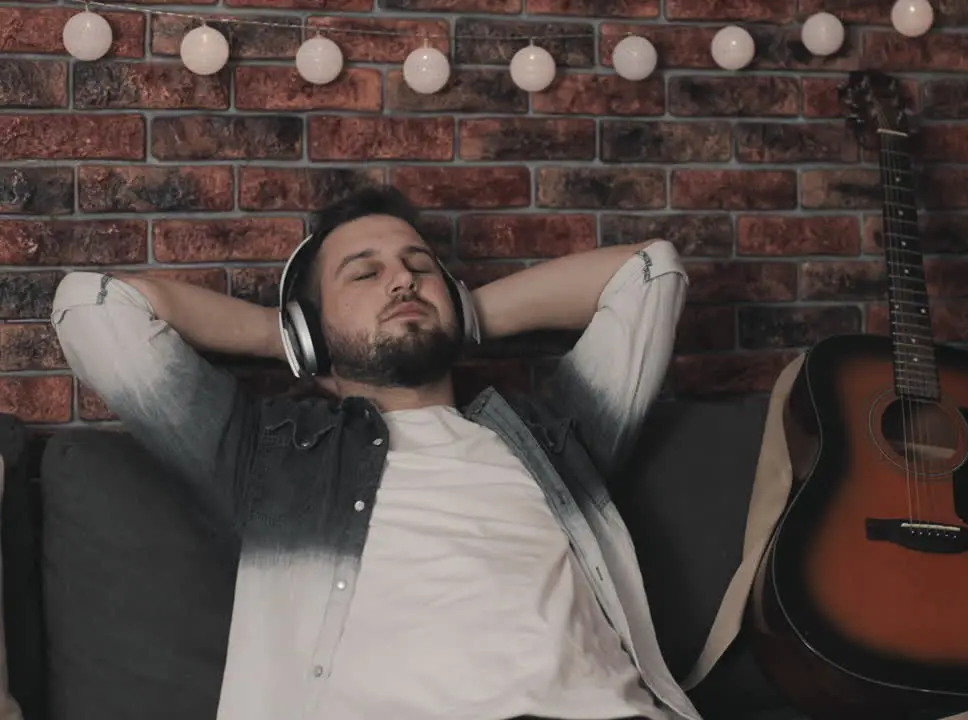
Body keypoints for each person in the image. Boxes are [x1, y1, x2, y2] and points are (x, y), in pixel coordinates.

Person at [50, 186, 699, 720]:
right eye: (365, 272)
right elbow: (93, 305)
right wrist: (294, 340)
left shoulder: (553, 435)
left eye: (420, 268)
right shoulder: (272, 457)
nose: (402, 281)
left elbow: (651, 273)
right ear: (314, 322)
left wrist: (459, 314)